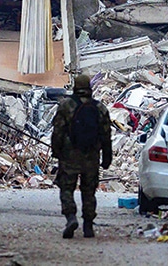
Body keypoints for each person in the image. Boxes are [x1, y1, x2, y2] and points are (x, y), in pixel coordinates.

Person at [51, 73, 112, 239]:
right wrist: (107, 158)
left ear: (75, 87)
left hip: (70, 156)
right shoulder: (100, 108)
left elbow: (58, 131)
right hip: (91, 156)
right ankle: (88, 226)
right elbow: (106, 135)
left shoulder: (66, 106)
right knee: (89, 191)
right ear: (90, 88)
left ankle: (71, 217)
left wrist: (56, 151)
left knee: (66, 188)